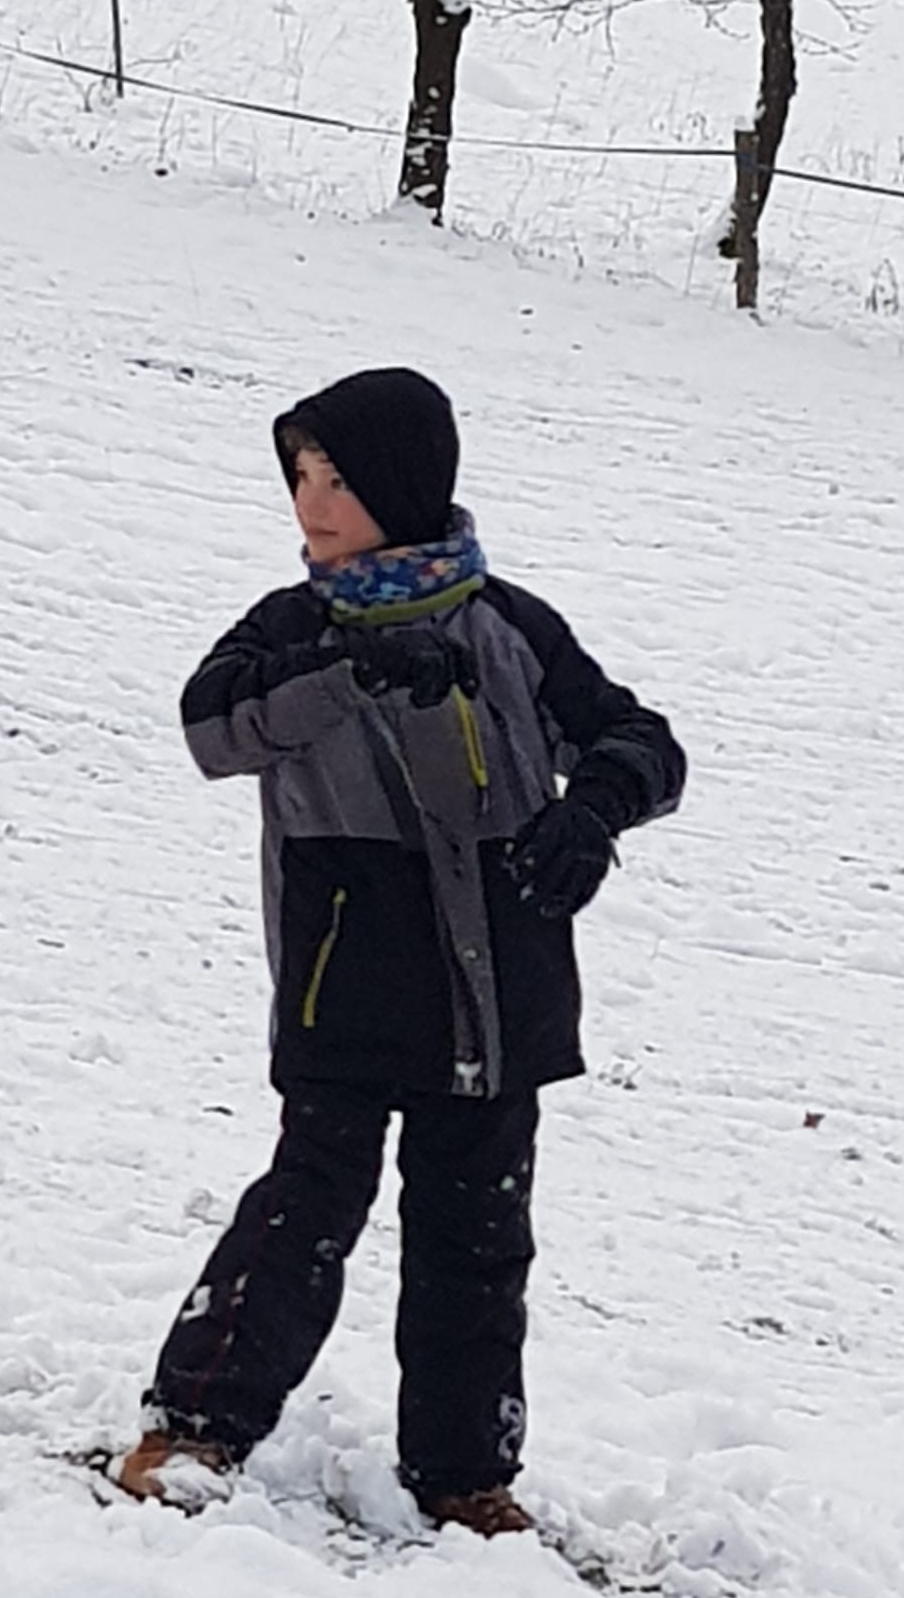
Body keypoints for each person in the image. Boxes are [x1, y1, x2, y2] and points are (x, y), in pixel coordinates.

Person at [118, 366, 686, 1535]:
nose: (311, 504)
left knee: (479, 1238)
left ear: (406, 485)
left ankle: (466, 1476)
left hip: (501, 991)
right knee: (305, 1208)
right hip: (349, 983)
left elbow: (640, 740)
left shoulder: (511, 627)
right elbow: (213, 728)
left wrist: (594, 813)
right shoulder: (292, 631)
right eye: (299, 477)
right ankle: (193, 1427)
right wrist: (351, 672)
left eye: (338, 480)